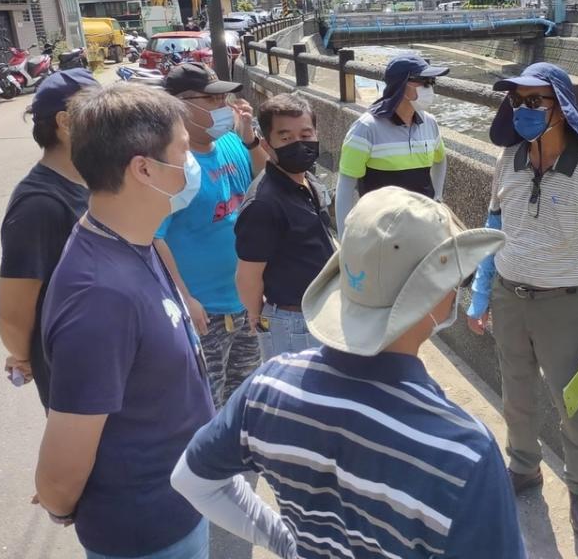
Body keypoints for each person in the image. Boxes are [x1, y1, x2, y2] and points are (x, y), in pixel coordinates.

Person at [172, 186, 527, 559]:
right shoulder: (464, 452)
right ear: (435, 296)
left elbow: (190, 479)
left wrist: (283, 540)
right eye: (458, 280)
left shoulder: (267, 388)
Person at [34, 83, 216, 558]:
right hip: (146, 536)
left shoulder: (131, 239)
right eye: (181, 150)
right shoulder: (98, 295)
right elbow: (59, 473)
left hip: (179, 508)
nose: (190, 161)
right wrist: (62, 507)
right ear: (144, 168)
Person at [465, 62, 578, 536]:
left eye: (535, 101)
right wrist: (480, 294)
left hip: (564, 304)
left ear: (562, 107)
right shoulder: (508, 159)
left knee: (571, 401)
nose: (524, 110)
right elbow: (493, 227)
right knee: (515, 390)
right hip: (509, 296)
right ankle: (524, 465)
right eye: (517, 101)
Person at [155, 62, 267, 408]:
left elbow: (265, 184)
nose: (224, 108)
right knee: (208, 404)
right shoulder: (172, 164)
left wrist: (251, 140)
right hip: (205, 314)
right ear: (179, 105)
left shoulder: (233, 143)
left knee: (246, 400)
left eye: (224, 99)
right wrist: (185, 298)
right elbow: (155, 237)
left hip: (245, 304)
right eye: (212, 100)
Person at [0, 69, 99, 408]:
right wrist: (24, 356)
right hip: (78, 376)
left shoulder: (91, 182)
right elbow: (13, 309)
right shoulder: (39, 204)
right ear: (66, 122)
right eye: (99, 113)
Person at [234, 93, 333, 360]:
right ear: (267, 144)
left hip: (319, 310)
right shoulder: (264, 203)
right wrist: (257, 314)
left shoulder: (307, 180)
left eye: (306, 134)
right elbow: (248, 275)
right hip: (292, 321)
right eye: (286, 138)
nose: (299, 145)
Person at [335, 54, 449, 234]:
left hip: (423, 227)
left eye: (432, 82)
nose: (430, 88)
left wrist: (437, 197)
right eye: (424, 82)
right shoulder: (366, 128)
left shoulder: (430, 123)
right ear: (402, 85)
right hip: (381, 232)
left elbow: (440, 160)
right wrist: (345, 239)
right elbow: (345, 188)